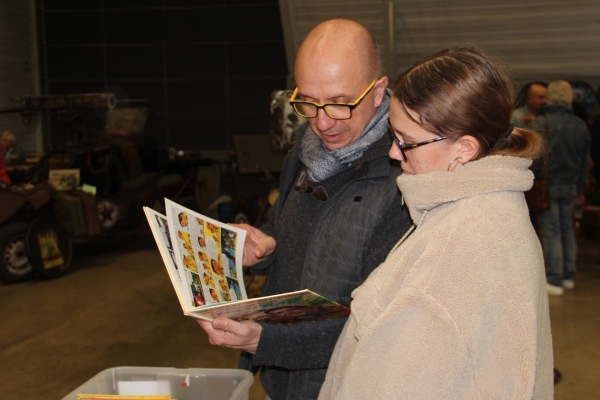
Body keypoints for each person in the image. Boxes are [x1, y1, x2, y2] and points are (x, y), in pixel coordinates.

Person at [319, 47, 554, 399]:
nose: (394, 153)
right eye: (393, 136)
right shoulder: (496, 208)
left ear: (465, 149)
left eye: (407, 142)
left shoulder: (456, 248)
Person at [197, 19, 412, 400]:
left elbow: (377, 328)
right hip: (279, 381)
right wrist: (263, 245)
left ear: (379, 92)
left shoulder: (403, 180)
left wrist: (265, 341)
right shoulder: (305, 149)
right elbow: (295, 233)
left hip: (342, 387)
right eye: (308, 102)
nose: (322, 122)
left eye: (340, 103)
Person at [532, 80, 590, 295]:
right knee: (568, 229)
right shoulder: (580, 125)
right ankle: (568, 276)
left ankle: (554, 279)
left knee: (552, 231)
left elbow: (535, 158)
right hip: (572, 185)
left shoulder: (541, 122)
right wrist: (580, 186)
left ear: (549, 97)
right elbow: (586, 161)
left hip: (548, 185)